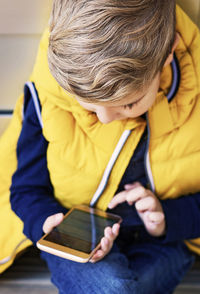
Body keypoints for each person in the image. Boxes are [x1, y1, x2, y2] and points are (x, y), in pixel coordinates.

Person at [0, 0, 200, 293]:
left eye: (128, 103)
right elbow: (25, 190)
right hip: (77, 242)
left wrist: (166, 218)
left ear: (169, 52)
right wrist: (49, 223)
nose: (106, 120)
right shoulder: (49, 98)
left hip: (164, 240)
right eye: (90, 108)